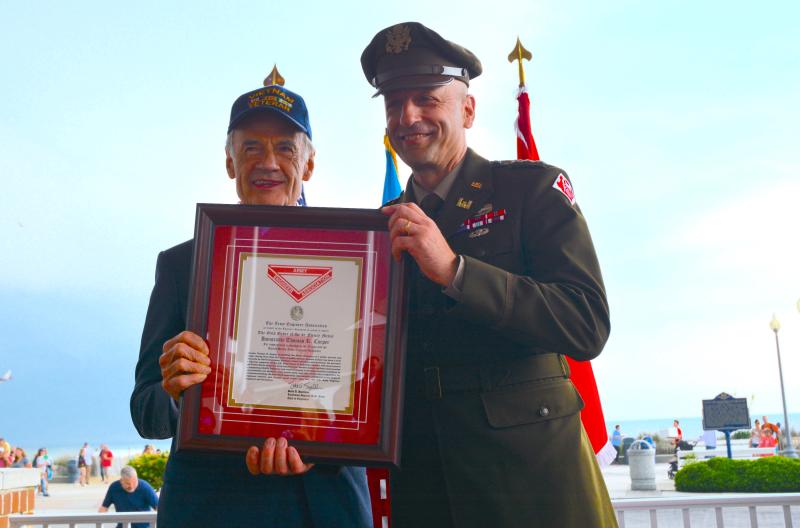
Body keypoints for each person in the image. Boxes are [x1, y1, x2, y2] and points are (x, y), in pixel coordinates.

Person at [360, 22, 616, 527]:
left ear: (468, 110)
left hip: (532, 486)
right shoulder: (376, 231)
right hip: (426, 488)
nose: (407, 116)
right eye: (394, 102)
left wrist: (456, 271)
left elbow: (586, 324)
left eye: (426, 98)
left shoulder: (532, 191)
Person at [130, 77, 371, 526]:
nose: (268, 162)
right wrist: (174, 389)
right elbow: (146, 413)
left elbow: (373, 395)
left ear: (309, 164)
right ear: (230, 161)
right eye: (251, 148)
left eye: (285, 148)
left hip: (323, 504)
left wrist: (319, 446)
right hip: (210, 506)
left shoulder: (357, 261)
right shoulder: (183, 265)